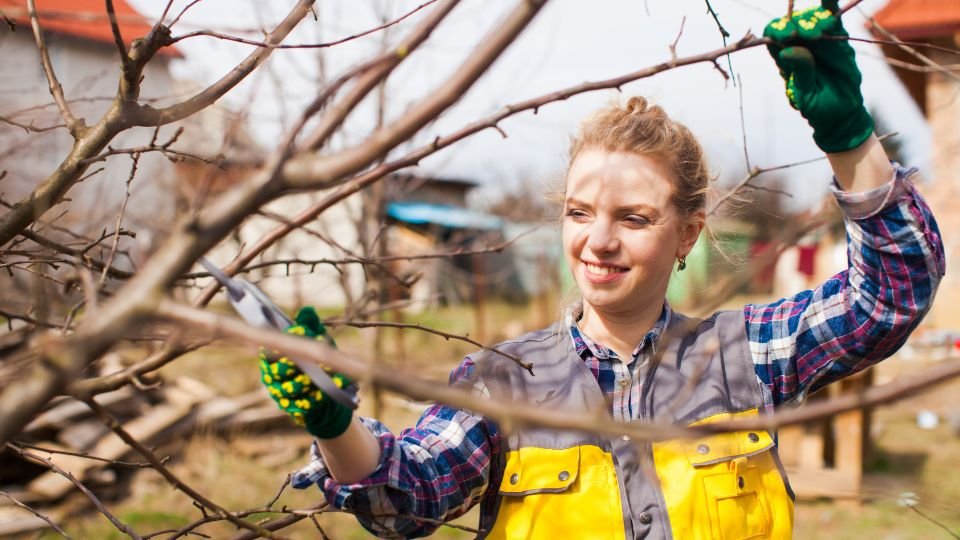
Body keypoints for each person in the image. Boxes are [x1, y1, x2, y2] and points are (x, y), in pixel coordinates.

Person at [258, 2, 945, 538]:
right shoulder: (504, 382)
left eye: (634, 218)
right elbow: (408, 498)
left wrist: (852, 141)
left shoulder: (745, 357)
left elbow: (888, 298)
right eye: (580, 212)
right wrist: (332, 423)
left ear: (687, 234)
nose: (599, 241)